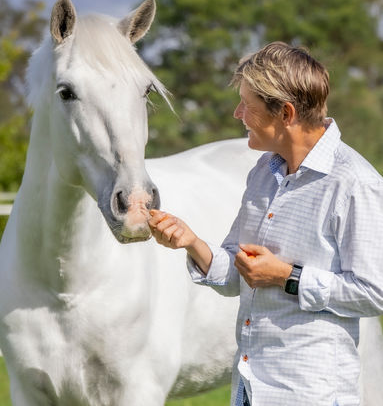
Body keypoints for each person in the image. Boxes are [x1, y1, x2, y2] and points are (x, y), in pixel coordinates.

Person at [148, 42, 383, 406]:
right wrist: (192, 242)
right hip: (249, 390)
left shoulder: (354, 183)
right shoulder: (263, 172)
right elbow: (239, 273)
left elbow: (374, 291)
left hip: (310, 395)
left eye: (247, 104)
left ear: (286, 113)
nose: (236, 113)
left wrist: (286, 277)